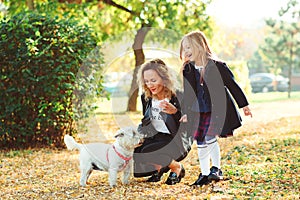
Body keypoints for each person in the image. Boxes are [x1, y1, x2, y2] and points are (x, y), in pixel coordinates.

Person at [179, 31, 253, 186]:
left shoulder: (217, 66)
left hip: (216, 110)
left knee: (209, 137)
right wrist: (185, 112)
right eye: (184, 48)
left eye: (189, 47)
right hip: (198, 110)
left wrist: (244, 105)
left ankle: (216, 169)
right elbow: (189, 92)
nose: (186, 51)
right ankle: (204, 173)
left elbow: (232, 85)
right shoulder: (188, 69)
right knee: (200, 140)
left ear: (200, 46)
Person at [133, 58, 187, 185]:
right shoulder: (146, 97)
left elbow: (189, 123)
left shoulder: (178, 95)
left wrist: (175, 112)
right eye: (146, 81)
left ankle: (176, 167)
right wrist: (138, 136)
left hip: (175, 139)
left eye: (153, 80)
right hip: (156, 137)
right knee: (136, 153)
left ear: (164, 78)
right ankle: (159, 167)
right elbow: (146, 121)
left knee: (149, 152)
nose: (149, 85)